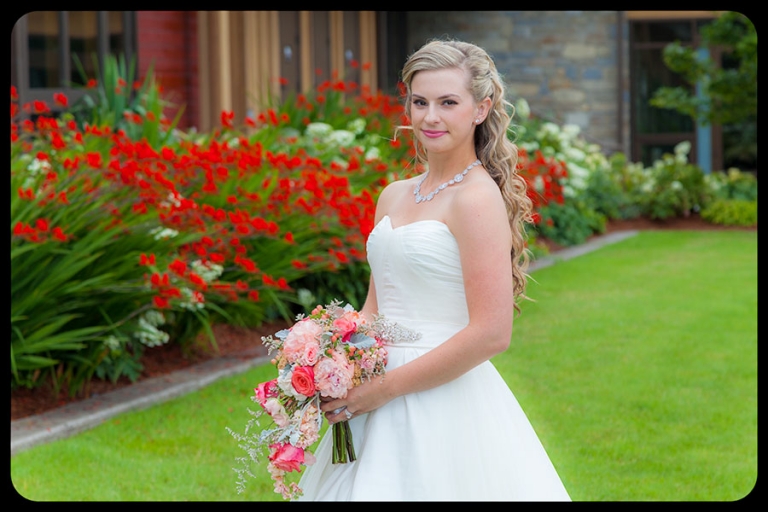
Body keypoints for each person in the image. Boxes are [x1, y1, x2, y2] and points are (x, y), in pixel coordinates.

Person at [296, 38, 571, 501]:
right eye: (420, 102)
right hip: (373, 392)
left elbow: (491, 333)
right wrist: (325, 354)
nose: (430, 117)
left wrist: (383, 391)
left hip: (441, 399)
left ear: (481, 109)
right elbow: (375, 306)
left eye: (448, 102)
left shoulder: (476, 198)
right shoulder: (394, 195)